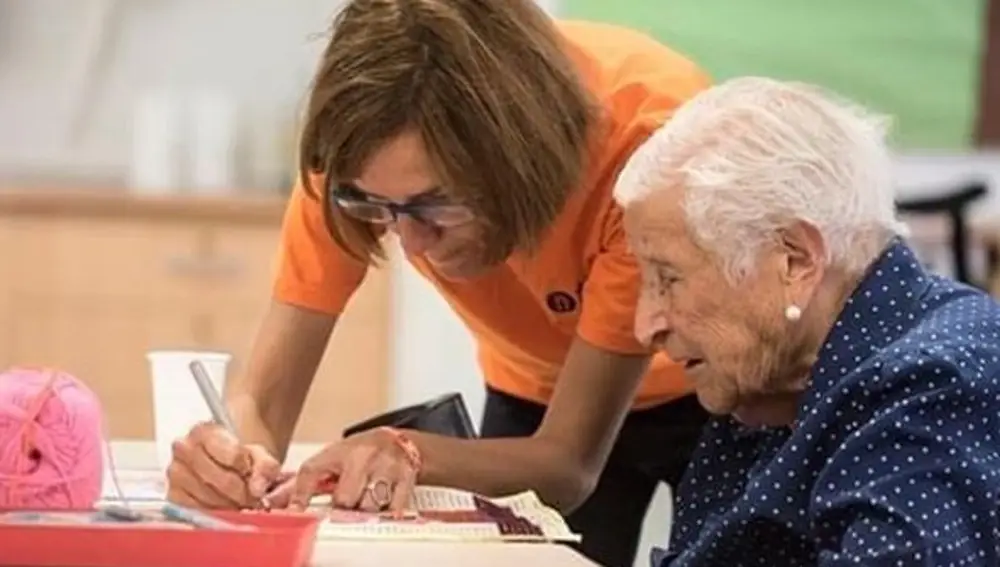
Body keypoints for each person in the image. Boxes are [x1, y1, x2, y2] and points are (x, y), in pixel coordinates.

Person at [166, 1, 713, 566]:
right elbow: (262, 401)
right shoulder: (357, 161)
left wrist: (408, 448)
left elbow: (570, 463)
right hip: (535, 389)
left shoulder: (641, 156)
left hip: (711, 388)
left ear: (519, 158)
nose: (412, 244)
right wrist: (233, 461)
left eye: (437, 206)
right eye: (380, 208)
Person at [611, 75, 1000, 566]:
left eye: (667, 278)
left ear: (795, 261)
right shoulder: (775, 380)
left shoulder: (938, 386)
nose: (646, 326)